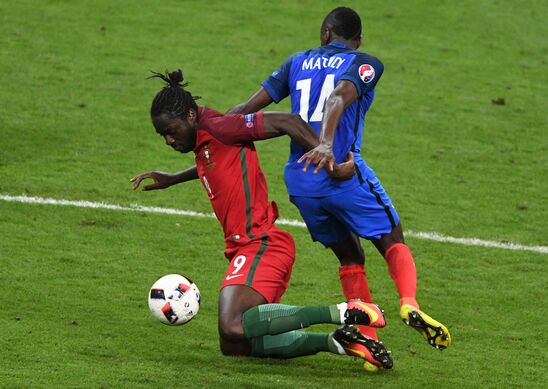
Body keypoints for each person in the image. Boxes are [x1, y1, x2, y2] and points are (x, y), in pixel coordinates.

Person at [227, 6, 451, 360]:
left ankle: (365, 340)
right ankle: (408, 302)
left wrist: (206, 128)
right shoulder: (365, 62)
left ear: (324, 33)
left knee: (349, 254)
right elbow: (337, 97)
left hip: (300, 181)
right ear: (358, 40)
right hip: (340, 171)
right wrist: (327, 145)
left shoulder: (296, 61)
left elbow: (247, 109)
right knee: (391, 235)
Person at [131, 69, 393, 370]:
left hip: (262, 244)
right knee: (235, 345)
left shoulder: (220, 127)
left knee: (232, 325)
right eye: (162, 134)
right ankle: (337, 341)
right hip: (245, 248)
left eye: (171, 130)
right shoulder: (207, 138)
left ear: (190, 115)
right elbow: (213, 163)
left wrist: (329, 161)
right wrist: (173, 178)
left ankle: (347, 311)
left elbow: (288, 122)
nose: (168, 139)